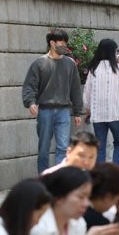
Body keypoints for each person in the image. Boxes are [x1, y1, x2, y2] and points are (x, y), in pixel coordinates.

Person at [23, 28, 84, 173]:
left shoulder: (70, 64)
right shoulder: (39, 63)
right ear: (52, 43)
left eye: (65, 43)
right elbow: (30, 86)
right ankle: (43, 179)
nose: (64, 45)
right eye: (61, 43)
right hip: (45, 111)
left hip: (64, 111)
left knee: (63, 147)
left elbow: (76, 88)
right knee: (44, 147)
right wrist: (31, 102)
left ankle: (59, 178)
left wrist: (77, 112)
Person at [83, 38, 119, 164]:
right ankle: (115, 171)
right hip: (115, 114)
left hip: (97, 115)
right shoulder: (118, 68)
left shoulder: (93, 69)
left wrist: (88, 109)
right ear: (112, 52)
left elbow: (87, 93)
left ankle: (100, 175)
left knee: (100, 146)